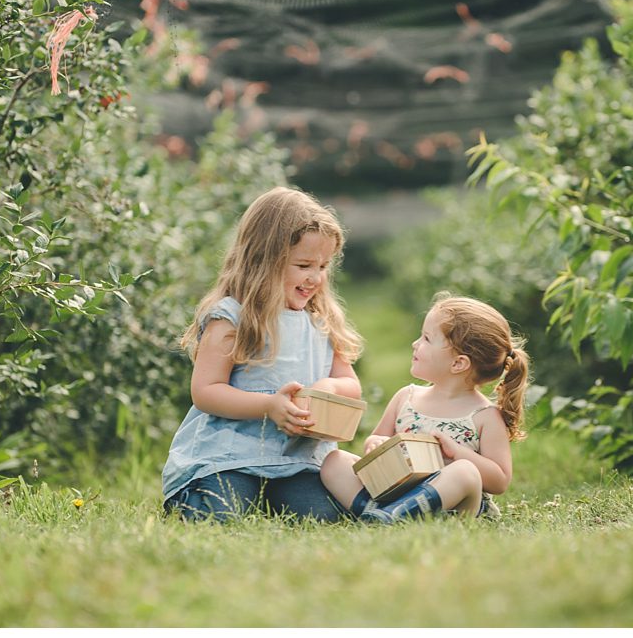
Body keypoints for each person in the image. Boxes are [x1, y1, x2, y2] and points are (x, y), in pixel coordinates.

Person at [161, 187, 365, 521]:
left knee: (322, 517)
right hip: (230, 456)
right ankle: (195, 494)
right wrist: (269, 406)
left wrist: (328, 387)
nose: (315, 278)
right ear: (263, 260)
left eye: (323, 266)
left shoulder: (320, 320)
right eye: (303, 265)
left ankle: (275, 498)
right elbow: (206, 391)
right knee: (219, 514)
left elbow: (351, 385)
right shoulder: (232, 317)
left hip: (297, 461)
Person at [324, 293, 530, 522]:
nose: (415, 344)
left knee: (465, 471)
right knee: (335, 461)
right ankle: (382, 513)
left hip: (451, 505)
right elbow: (375, 442)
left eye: (426, 339)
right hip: (397, 489)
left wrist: (457, 454)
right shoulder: (406, 397)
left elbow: (500, 481)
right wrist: (375, 444)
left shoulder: (485, 416)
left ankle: (391, 515)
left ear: (458, 363)